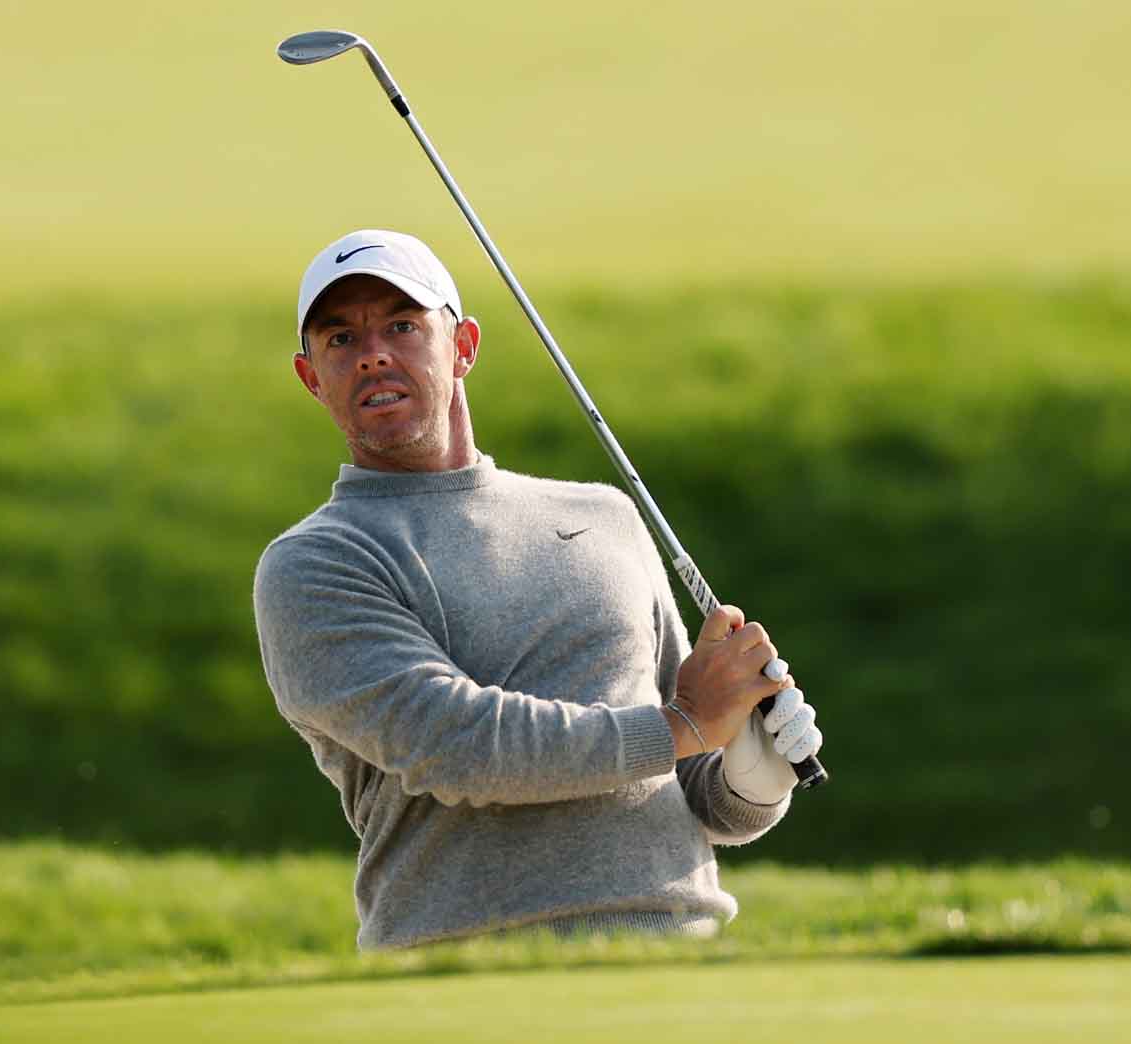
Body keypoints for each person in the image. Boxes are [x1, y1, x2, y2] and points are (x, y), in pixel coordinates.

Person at [252, 229, 824, 950]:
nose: (371, 352)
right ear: (312, 377)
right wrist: (685, 724)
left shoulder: (604, 515)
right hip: (465, 969)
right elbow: (458, 745)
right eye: (340, 338)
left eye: (402, 324)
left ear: (463, 346)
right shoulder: (316, 563)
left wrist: (754, 774)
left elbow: (691, 784)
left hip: (678, 952)